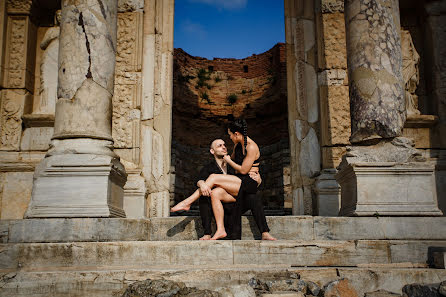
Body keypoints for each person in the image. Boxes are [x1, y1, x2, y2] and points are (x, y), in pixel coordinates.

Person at [171, 119, 276, 241]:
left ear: (236, 134)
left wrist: (258, 178)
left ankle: (187, 202)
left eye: (230, 135)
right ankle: (220, 230)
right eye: (220, 145)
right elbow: (235, 167)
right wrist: (202, 183)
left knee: (213, 178)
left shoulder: (251, 146)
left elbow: (242, 170)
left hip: (248, 182)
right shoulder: (238, 146)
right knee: (215, 193)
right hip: (240, 182)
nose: (229, 138)